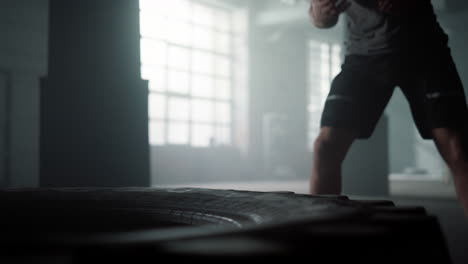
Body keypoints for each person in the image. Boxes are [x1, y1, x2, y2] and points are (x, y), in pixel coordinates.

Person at [308, 0, 468, 217]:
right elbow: (320, 20)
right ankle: (318, 239)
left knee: (458, 148)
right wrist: (322, 13)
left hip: (424, 52)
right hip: (363, 57)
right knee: (325, 147)